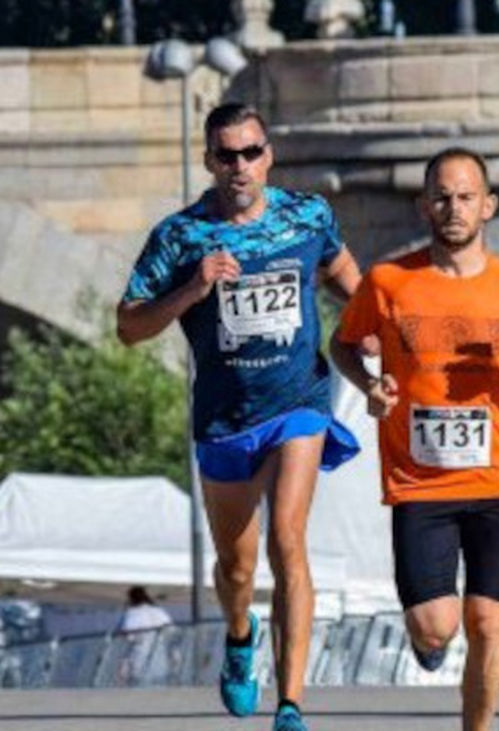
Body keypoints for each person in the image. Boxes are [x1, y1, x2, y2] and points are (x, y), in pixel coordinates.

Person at [117, 103, 361, 731]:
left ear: (269, 155)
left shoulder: (307, 216)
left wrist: (380, 331)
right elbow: (128, 327)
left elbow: (345, 278)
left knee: (288, 539)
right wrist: (192, 289)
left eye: (251, 152)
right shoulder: (181, 236)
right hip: (225, 419)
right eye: (226, 155)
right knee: (237, 566)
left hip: (297, 404)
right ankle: (238, 633)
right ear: (208, 161)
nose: (240, 166)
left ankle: (291, 702)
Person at [330, 147, 499, 731]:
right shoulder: (389, 281)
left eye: (466, 196)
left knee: (487, 620)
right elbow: (342, 345)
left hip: (496, 476)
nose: (454, 208)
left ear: (488, 206)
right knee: (435, 625)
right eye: (442, 196)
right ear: (424, 206)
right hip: (419, 481)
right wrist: (369, 386)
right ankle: (428, 644)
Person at [115, 586, 174, 685]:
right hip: (160, 659)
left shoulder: (131, 614)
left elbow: (125, 633)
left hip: (138, 659)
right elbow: (171, 629)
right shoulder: (158, 611)